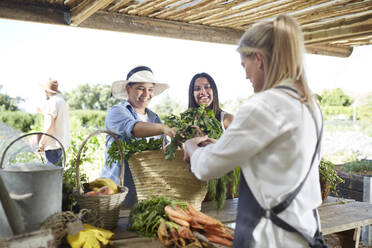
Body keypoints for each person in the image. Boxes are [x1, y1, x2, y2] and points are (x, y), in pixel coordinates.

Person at [183, 15, 326, 247]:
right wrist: (220, 146)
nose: (245, 75)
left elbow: (206, 168)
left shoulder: (263, 106)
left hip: (271, 238)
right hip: (305, 232)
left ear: (258, 58)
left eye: (245, 65)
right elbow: (276, 163)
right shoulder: (308, 106)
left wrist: (191, 146)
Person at [101, 65, 175, 208]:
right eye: (141, 88)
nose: (146, 94)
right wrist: (164, 128)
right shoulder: (117, 111)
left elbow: (163, 151)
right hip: (116, 191)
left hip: (145, 193)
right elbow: (134, 128)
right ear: (128, 89)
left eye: (150, 89)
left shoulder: (155, 118)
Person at [38, 79, 70, 165]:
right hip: (60, 144)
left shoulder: (51, 103)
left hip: (52, 145)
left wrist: (42, 142)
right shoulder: (62, 101)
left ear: (46, 91)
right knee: (57, 173)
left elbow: (50, 127)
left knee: (50, 175)